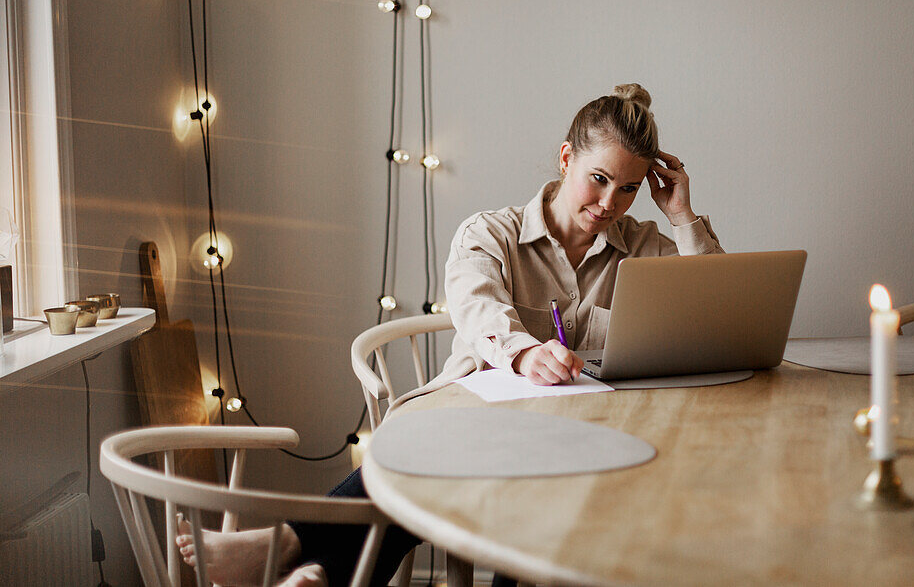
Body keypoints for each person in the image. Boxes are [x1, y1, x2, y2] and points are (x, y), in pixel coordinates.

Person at [176, 83, 723, 586]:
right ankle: (304, 556)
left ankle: (300, 555)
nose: (609, 205)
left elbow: (710, 312)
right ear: (566, 158)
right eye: (599, 180)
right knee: (451, 468)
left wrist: (682, 215)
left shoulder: (646, 244)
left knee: (562, 501)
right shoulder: (490, 233)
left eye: (628, 189)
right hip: (479, 428)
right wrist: (523, 351)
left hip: (585, 441)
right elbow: (476, 306)